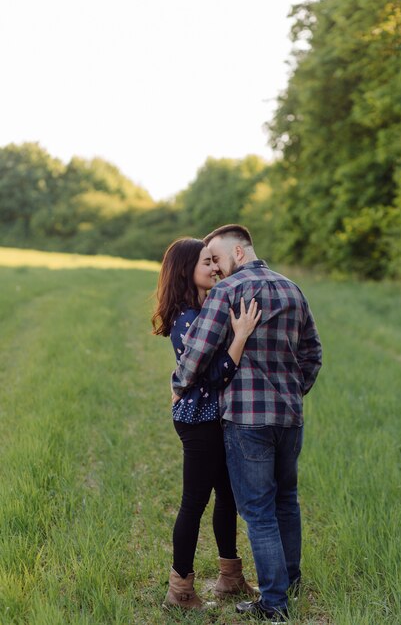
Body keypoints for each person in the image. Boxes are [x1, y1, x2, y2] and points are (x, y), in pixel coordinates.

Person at [172, 224, 322, 623]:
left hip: (246, 418)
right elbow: (313, 353)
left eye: (217, 258)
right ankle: (290, 582)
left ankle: (274, 603)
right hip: (290, 417)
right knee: (286, 501)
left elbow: (195, 355)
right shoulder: (292, 289)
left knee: (257, 511)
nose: (216, 269)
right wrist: (292, 389)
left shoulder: (228, 292)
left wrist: (177, 385)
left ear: (238, 253)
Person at [152, 237, 260, 610]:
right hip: (198, 421)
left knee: (227, 497)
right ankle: (179, 590)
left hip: (216, 416)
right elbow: (213, 376)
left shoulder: (205, 310)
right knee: (194, 502)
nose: (215, 268)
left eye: (215, 261)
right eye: (206, 262)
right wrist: (241, 336)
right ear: (186, 270)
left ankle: (230, 578)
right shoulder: (187, 318)